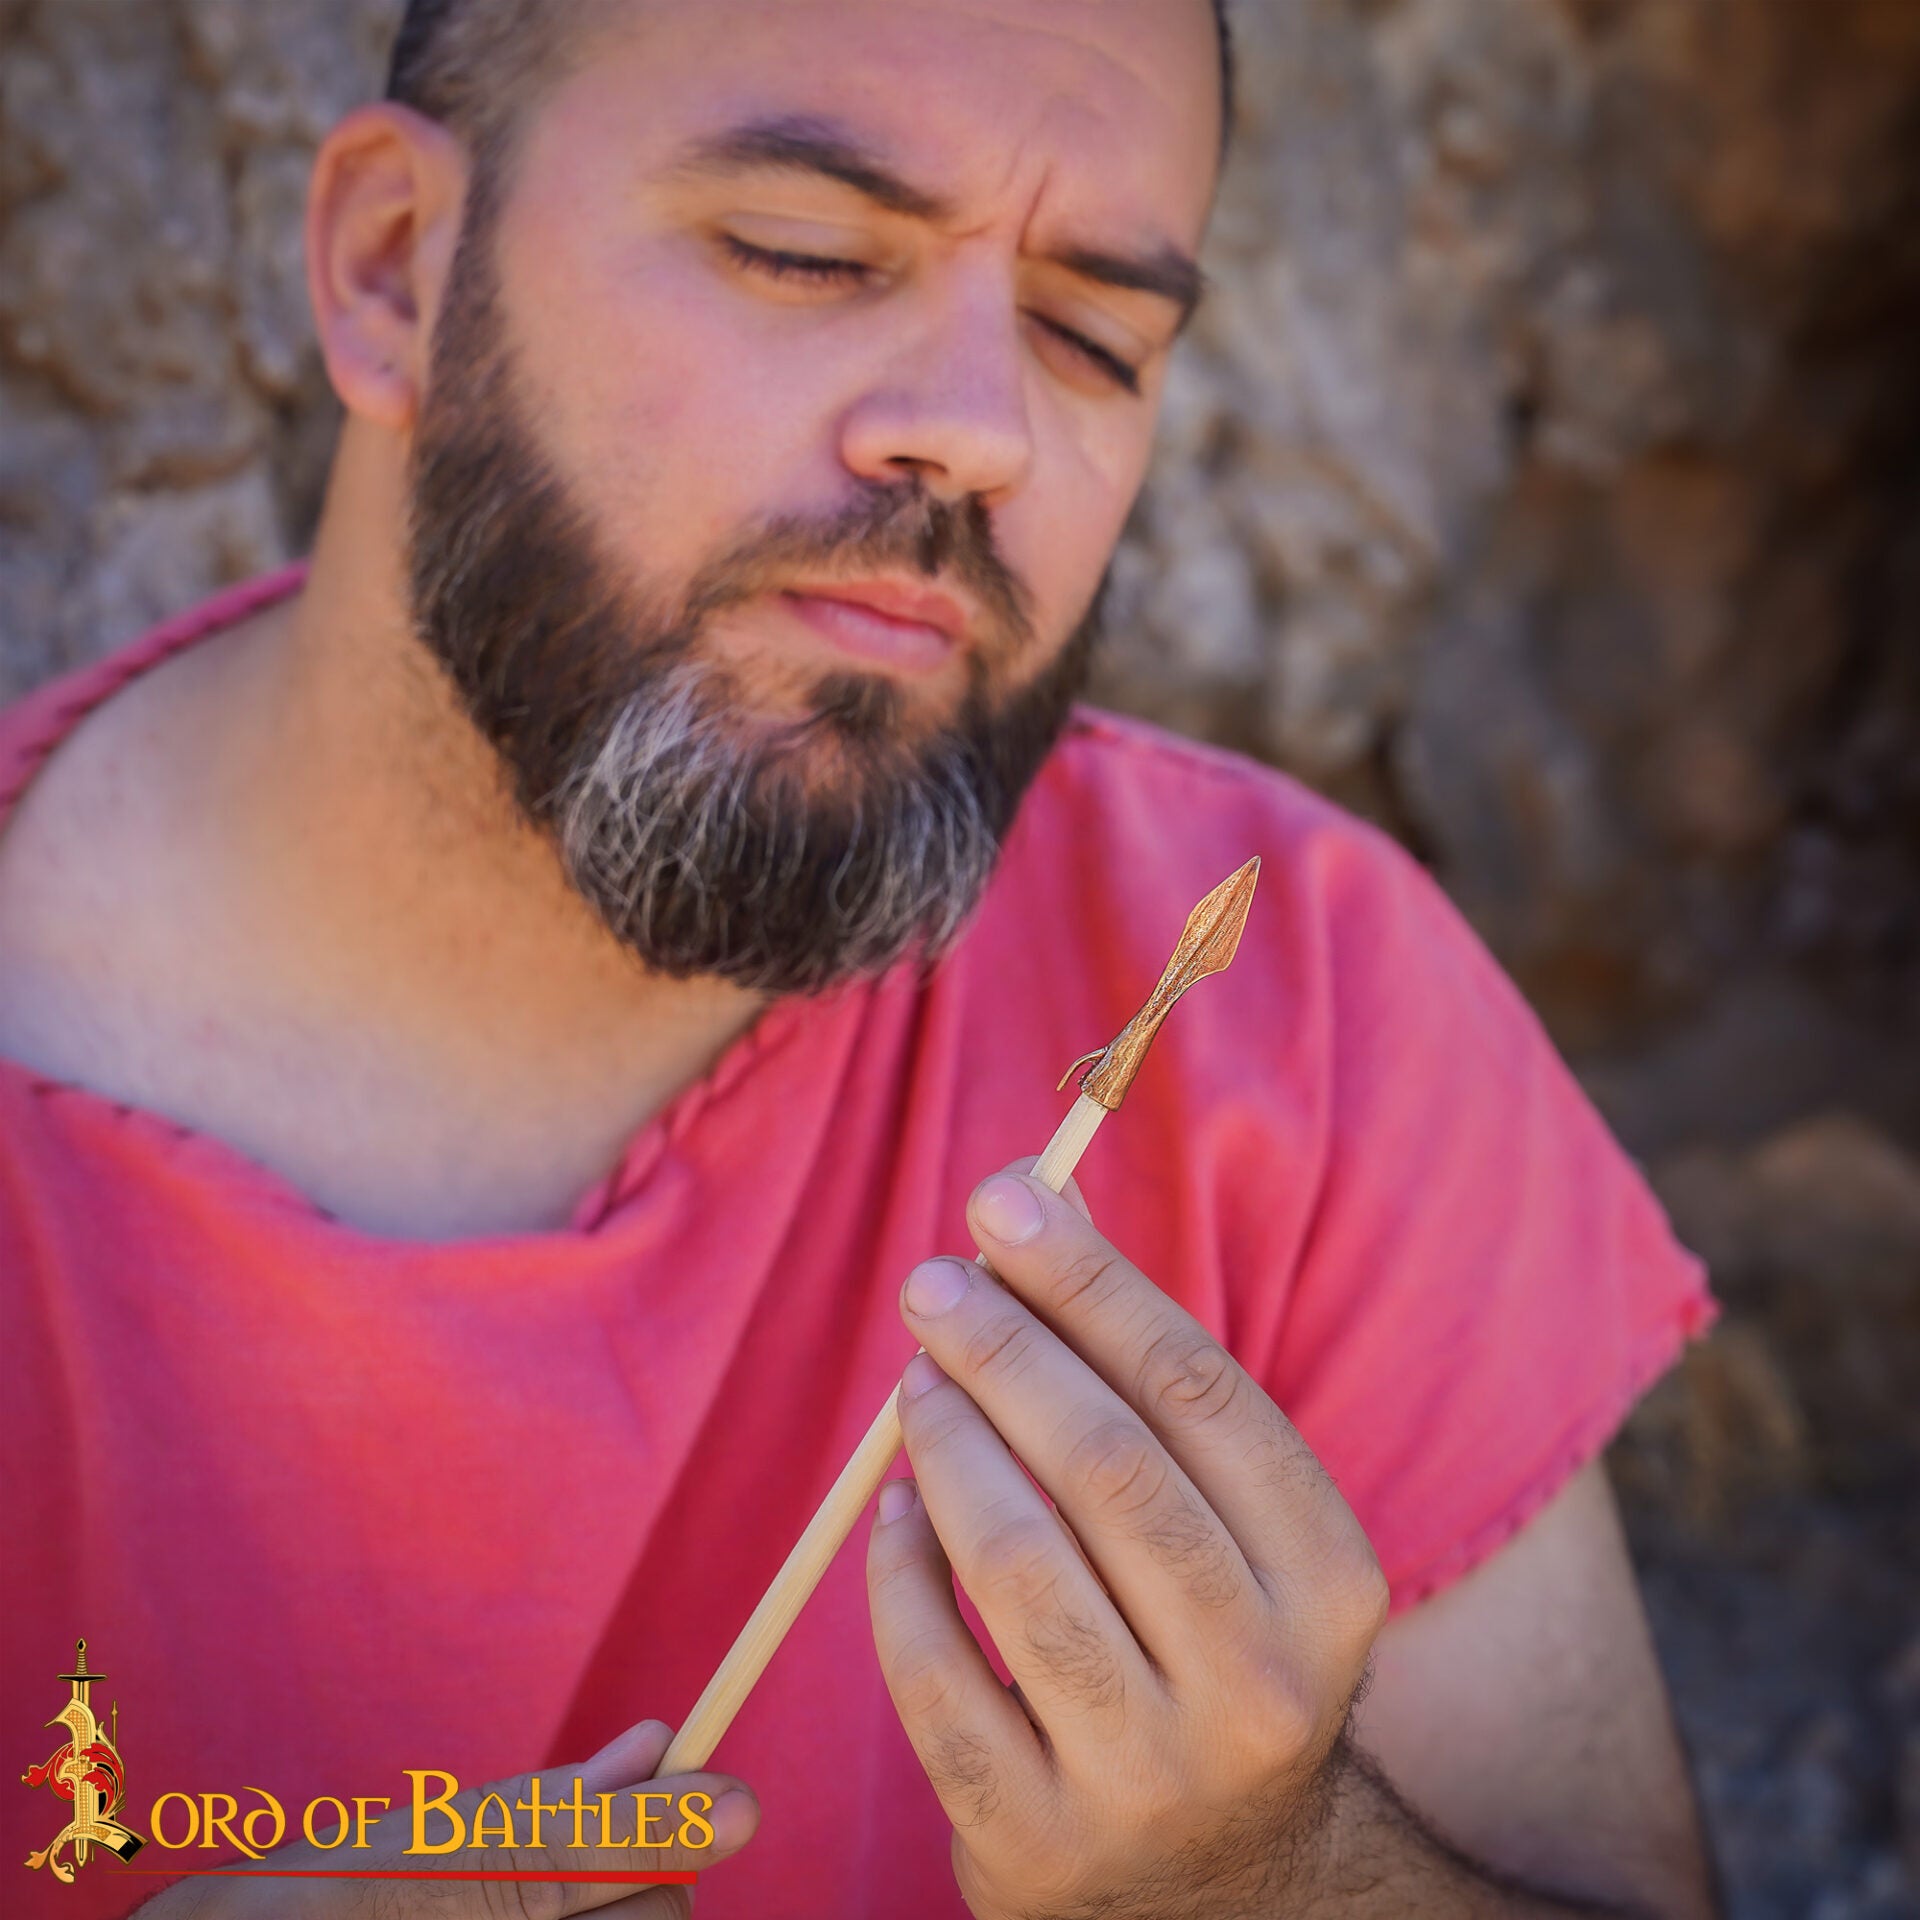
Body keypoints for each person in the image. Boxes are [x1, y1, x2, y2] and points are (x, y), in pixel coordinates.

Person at [0, 1, 1726, 1915]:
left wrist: (1273, 1872)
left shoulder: (1283, 1002)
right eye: (806, 253)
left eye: (1095, 336)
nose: (980, 429)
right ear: (396, 271)